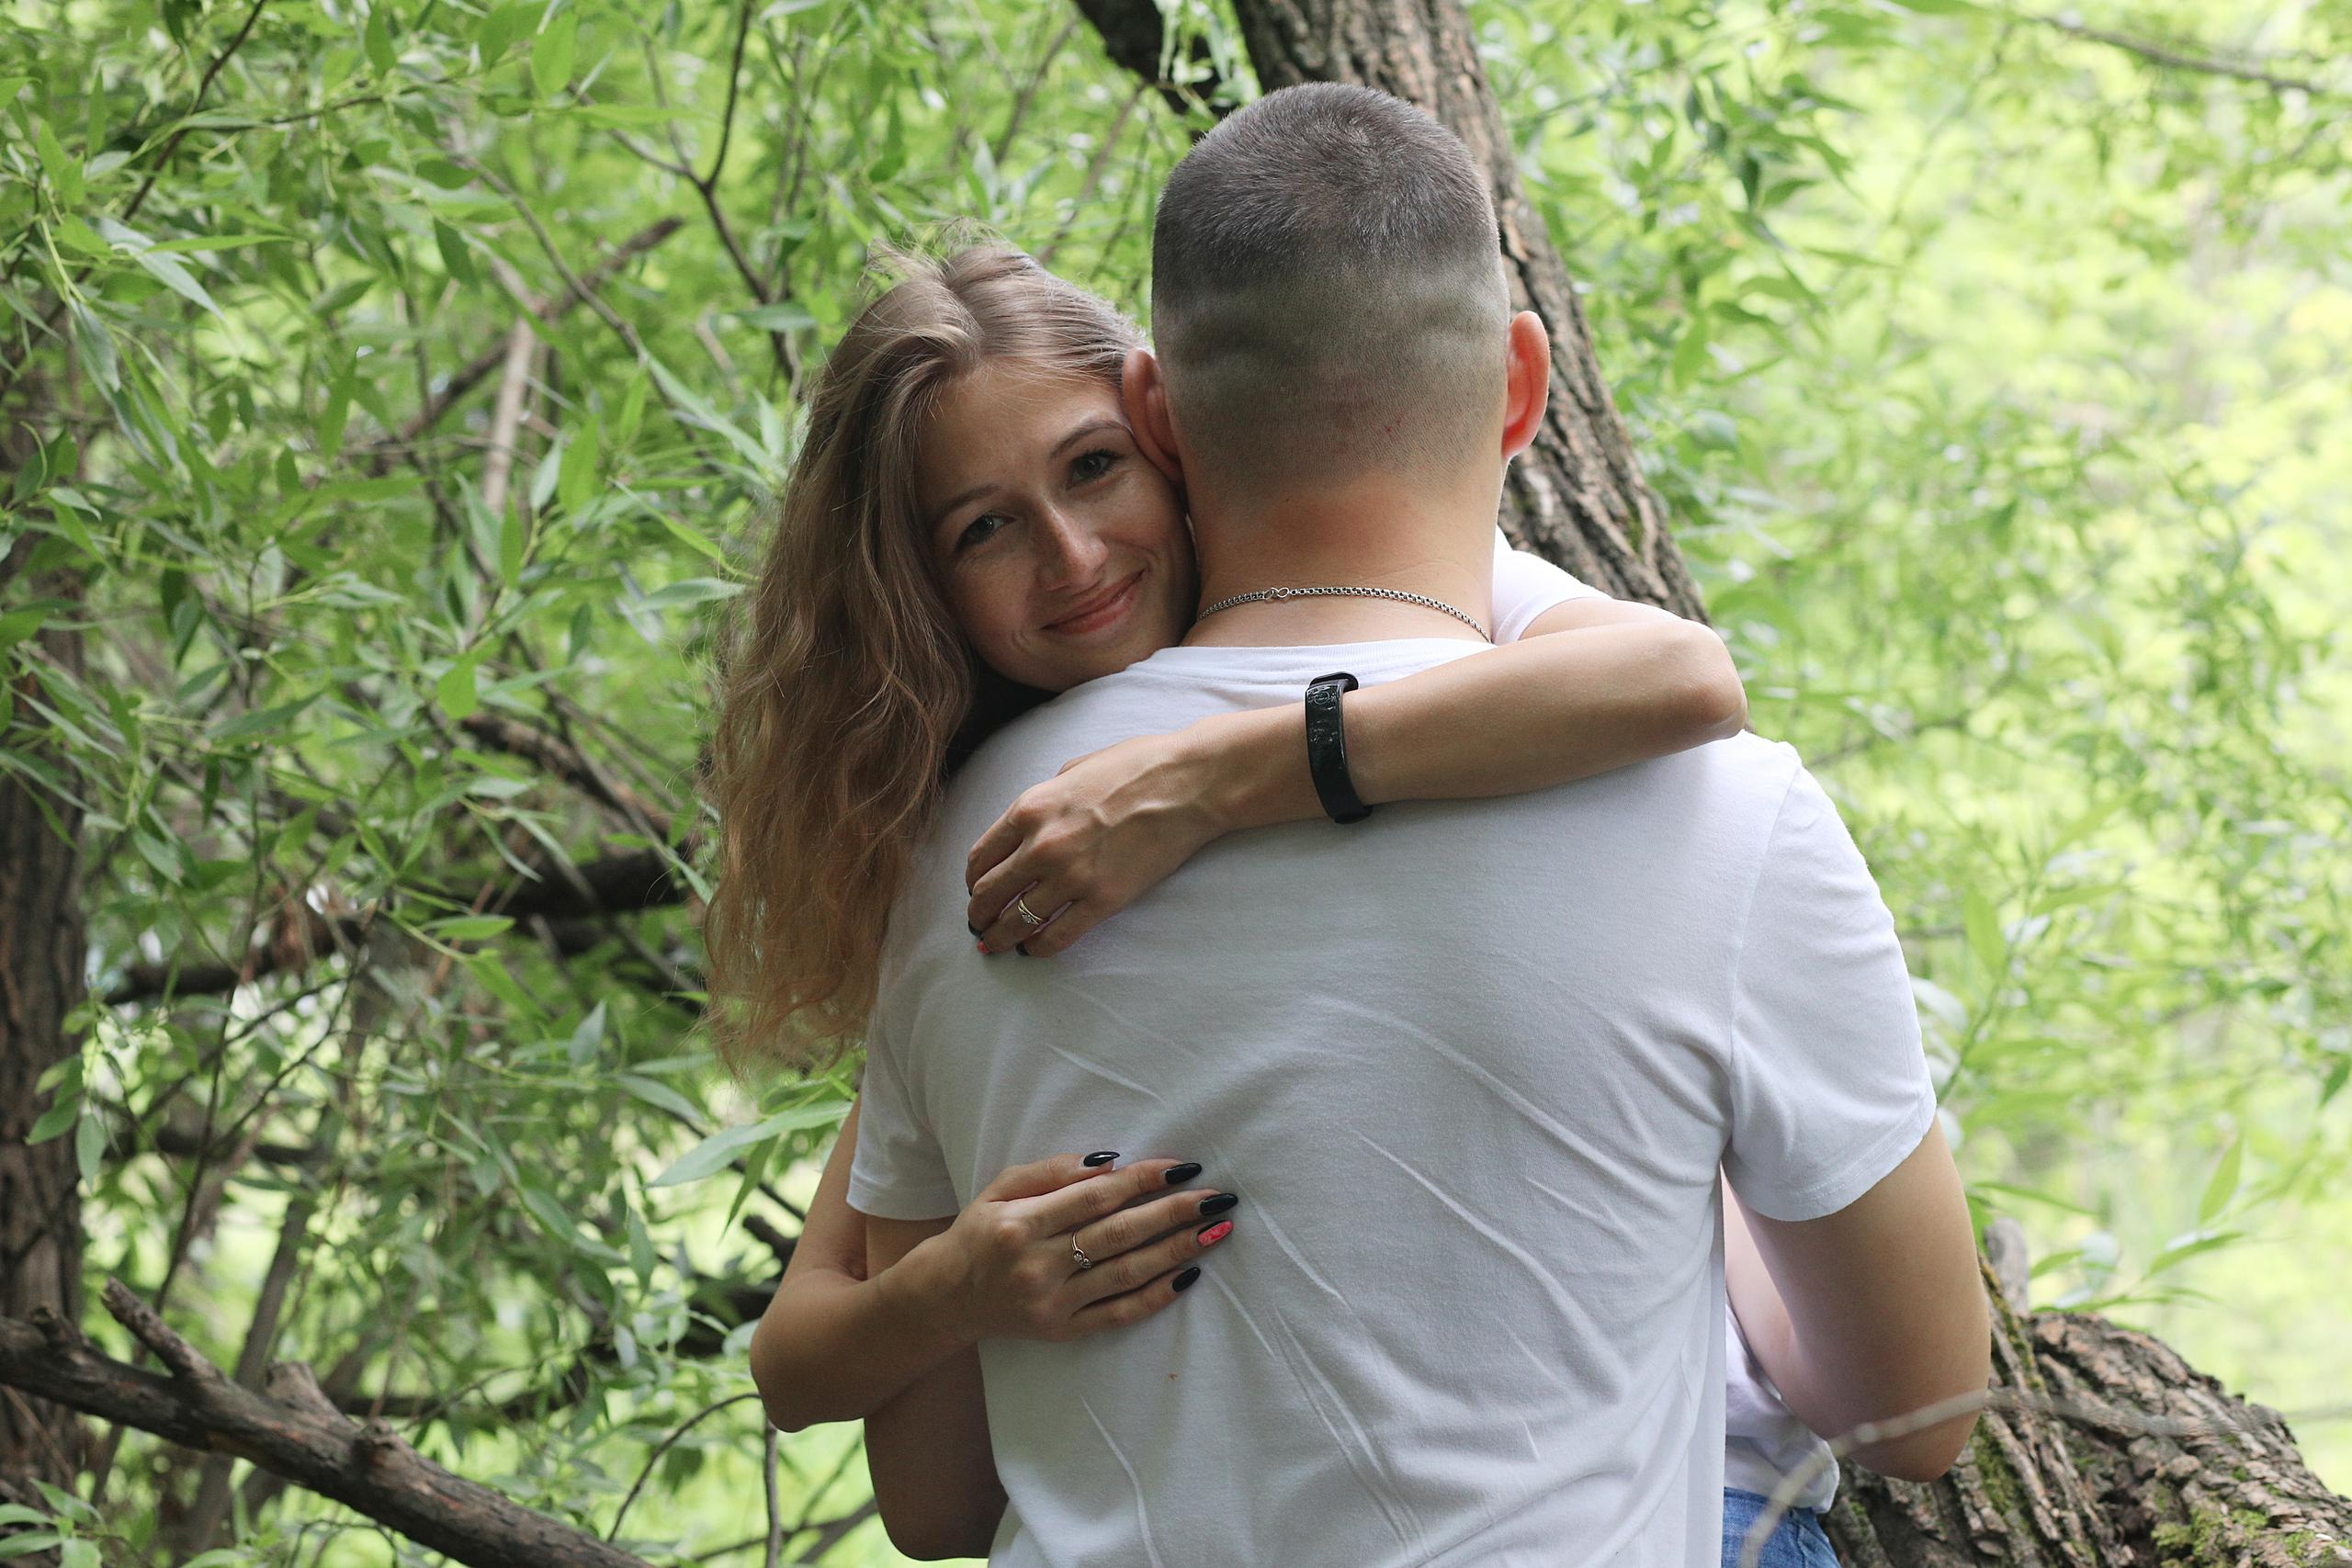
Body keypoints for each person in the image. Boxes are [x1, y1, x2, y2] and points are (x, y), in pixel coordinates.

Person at [782, 83, 1986, 1566]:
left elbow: (942, 1505)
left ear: (1155, 413)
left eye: (1092, 470)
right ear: (1522, 385)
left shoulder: (970, 853)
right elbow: (1918, 1415)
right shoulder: (1725, 814)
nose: (1074, 554)